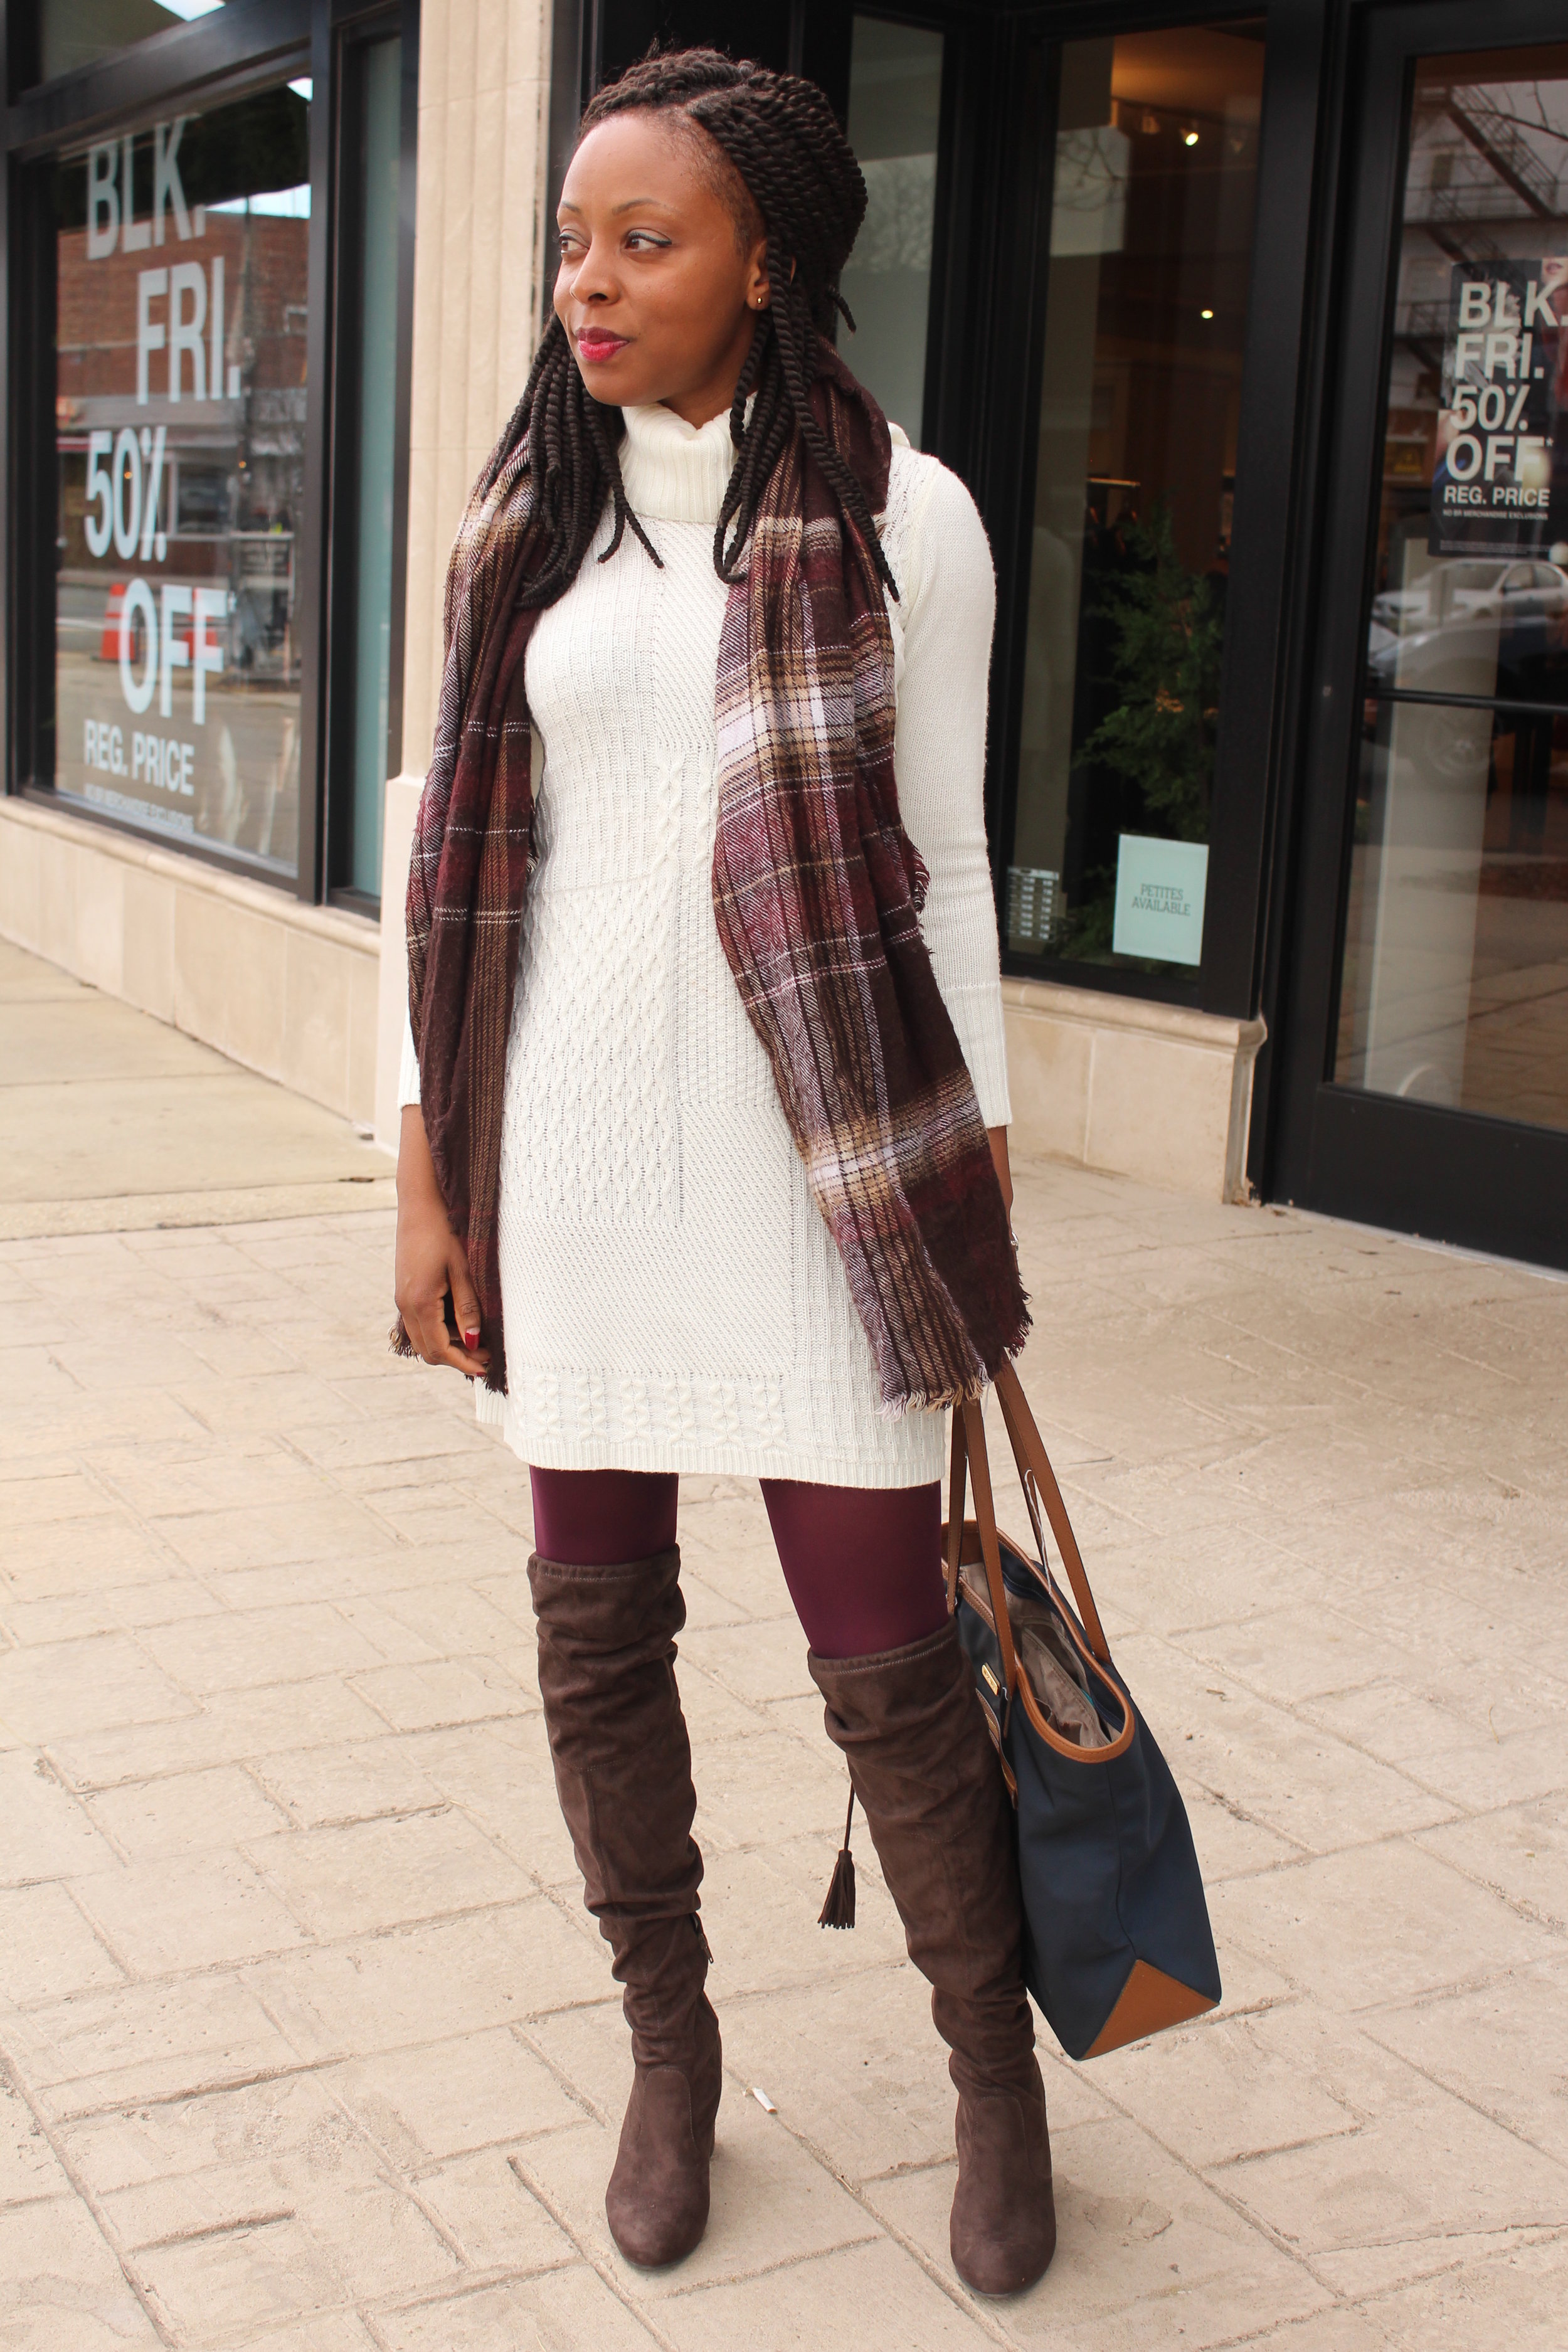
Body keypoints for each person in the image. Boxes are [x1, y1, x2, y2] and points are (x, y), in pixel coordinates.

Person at [392, 48, 1054, 2299]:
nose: (587, 280)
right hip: (564, 1165)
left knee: (881, 1647)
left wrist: (962, 1184)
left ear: (765, 261)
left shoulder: (907, 514)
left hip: (815, 1170)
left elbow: (946, 858)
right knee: (597, 1632)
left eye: (641, 241)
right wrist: (422, 1171)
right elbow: (443, 850)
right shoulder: (520, 525)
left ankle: (990, 2070)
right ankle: (666, 2056)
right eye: (572, 238)